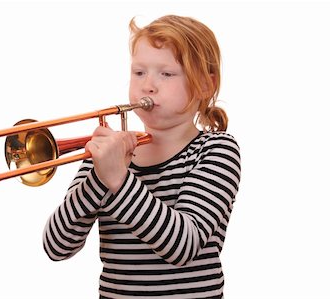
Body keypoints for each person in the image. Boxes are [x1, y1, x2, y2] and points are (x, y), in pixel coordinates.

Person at [43, 14, 241, 298]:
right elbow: (57, 246)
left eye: (166, 73)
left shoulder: (216, 150)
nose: (148, 85)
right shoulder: (106, 158)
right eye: (139, 72)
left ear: (205, 86)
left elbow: (182, 246)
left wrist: (119, 180)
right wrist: (99, 178)